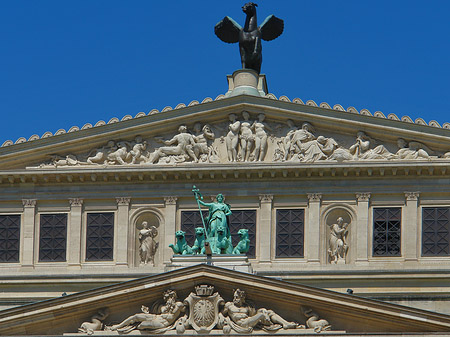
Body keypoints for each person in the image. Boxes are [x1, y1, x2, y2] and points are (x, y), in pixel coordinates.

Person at [108, 290, 185, 332]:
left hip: (162, 323)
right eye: (167, 298)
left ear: (174, 297)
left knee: (142, 325)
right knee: (136, 316)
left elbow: (187, 310)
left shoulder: (179, 305)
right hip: (155, 317)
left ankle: (132, 327)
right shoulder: (163, 307)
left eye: (170, 297)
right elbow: (156, 312)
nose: (168, 300)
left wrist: (183, 320)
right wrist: (147, 312)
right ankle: (118, 326)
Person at [222, 289, 298, 330]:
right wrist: (225, 323)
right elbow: (220, 314)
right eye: (234, 297)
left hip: (249, 320)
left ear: (242, 298)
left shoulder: (247, 307)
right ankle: (268, 321)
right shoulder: (229, 305)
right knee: (261, 314)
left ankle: (285, 323)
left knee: (268, 311)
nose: (234, 299)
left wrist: (263, 311)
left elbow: (253, 314)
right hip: (242, 324)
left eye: (237, 297)